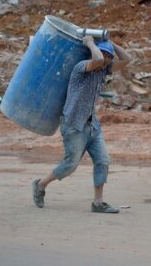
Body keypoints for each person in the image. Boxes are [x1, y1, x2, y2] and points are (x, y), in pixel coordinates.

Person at [32, 36, 131, 213]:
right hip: (73, 125)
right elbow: (98, 59)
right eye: (104, 54)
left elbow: (128, 59)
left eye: (109, 56)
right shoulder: (81, 67)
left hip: (92, 124)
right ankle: (40, 185)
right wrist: (90, 42)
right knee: (70, 165)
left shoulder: (103, 70)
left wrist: (111, 43)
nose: (107, 59)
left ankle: (98, 203)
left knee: (102, 161)